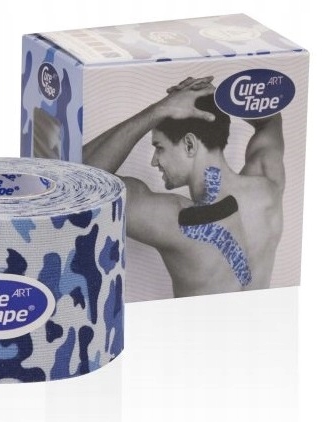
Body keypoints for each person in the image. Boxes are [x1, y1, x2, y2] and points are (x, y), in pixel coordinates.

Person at [83, 76, 285, 297]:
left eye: (159, 147)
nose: (154, 161)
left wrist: (158, 110)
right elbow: (271, 119)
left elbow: (78, 179)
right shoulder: (267, 186)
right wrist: (221, 98)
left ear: (189, 144)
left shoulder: (174, 221)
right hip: (263, 319)